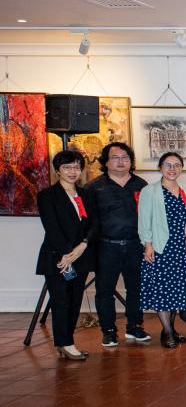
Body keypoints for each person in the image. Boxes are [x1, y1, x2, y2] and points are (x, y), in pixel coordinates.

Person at [82, 141, 149, 348]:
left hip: (135, 245)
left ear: (131, 161)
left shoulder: (142, 185)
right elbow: (87, 221)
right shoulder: (94, 187)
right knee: (105, 291)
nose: (121, 162)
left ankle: (134, 326)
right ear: (106, 162)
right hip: (106, 247)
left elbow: (149, 217)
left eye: (125, 157)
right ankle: (109, 331)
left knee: (136, 289)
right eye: (115, 157)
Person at [36, 150, 94, 361]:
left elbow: (94, 224)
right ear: (58, 170)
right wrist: (67, 253)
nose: (72, 171)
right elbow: (52, 228)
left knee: (75, 301)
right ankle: (65, 343)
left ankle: (67, 342)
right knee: (61, 301)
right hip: (57, 258)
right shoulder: (47, 196)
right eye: (67, 167)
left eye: (77, 167)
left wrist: (82, 246)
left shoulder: (86, 194)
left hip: (81, 256)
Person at [138, 152, 186, 348]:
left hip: (182, 248)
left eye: (177, 165)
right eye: (168, 165)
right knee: (162, 290)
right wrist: (147, 244)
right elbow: (144, 220)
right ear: (160, 167)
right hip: (160, 247)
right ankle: (167, 332)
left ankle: (171, 328)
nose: (172, 169)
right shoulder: (149, 191)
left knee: (176, 289)